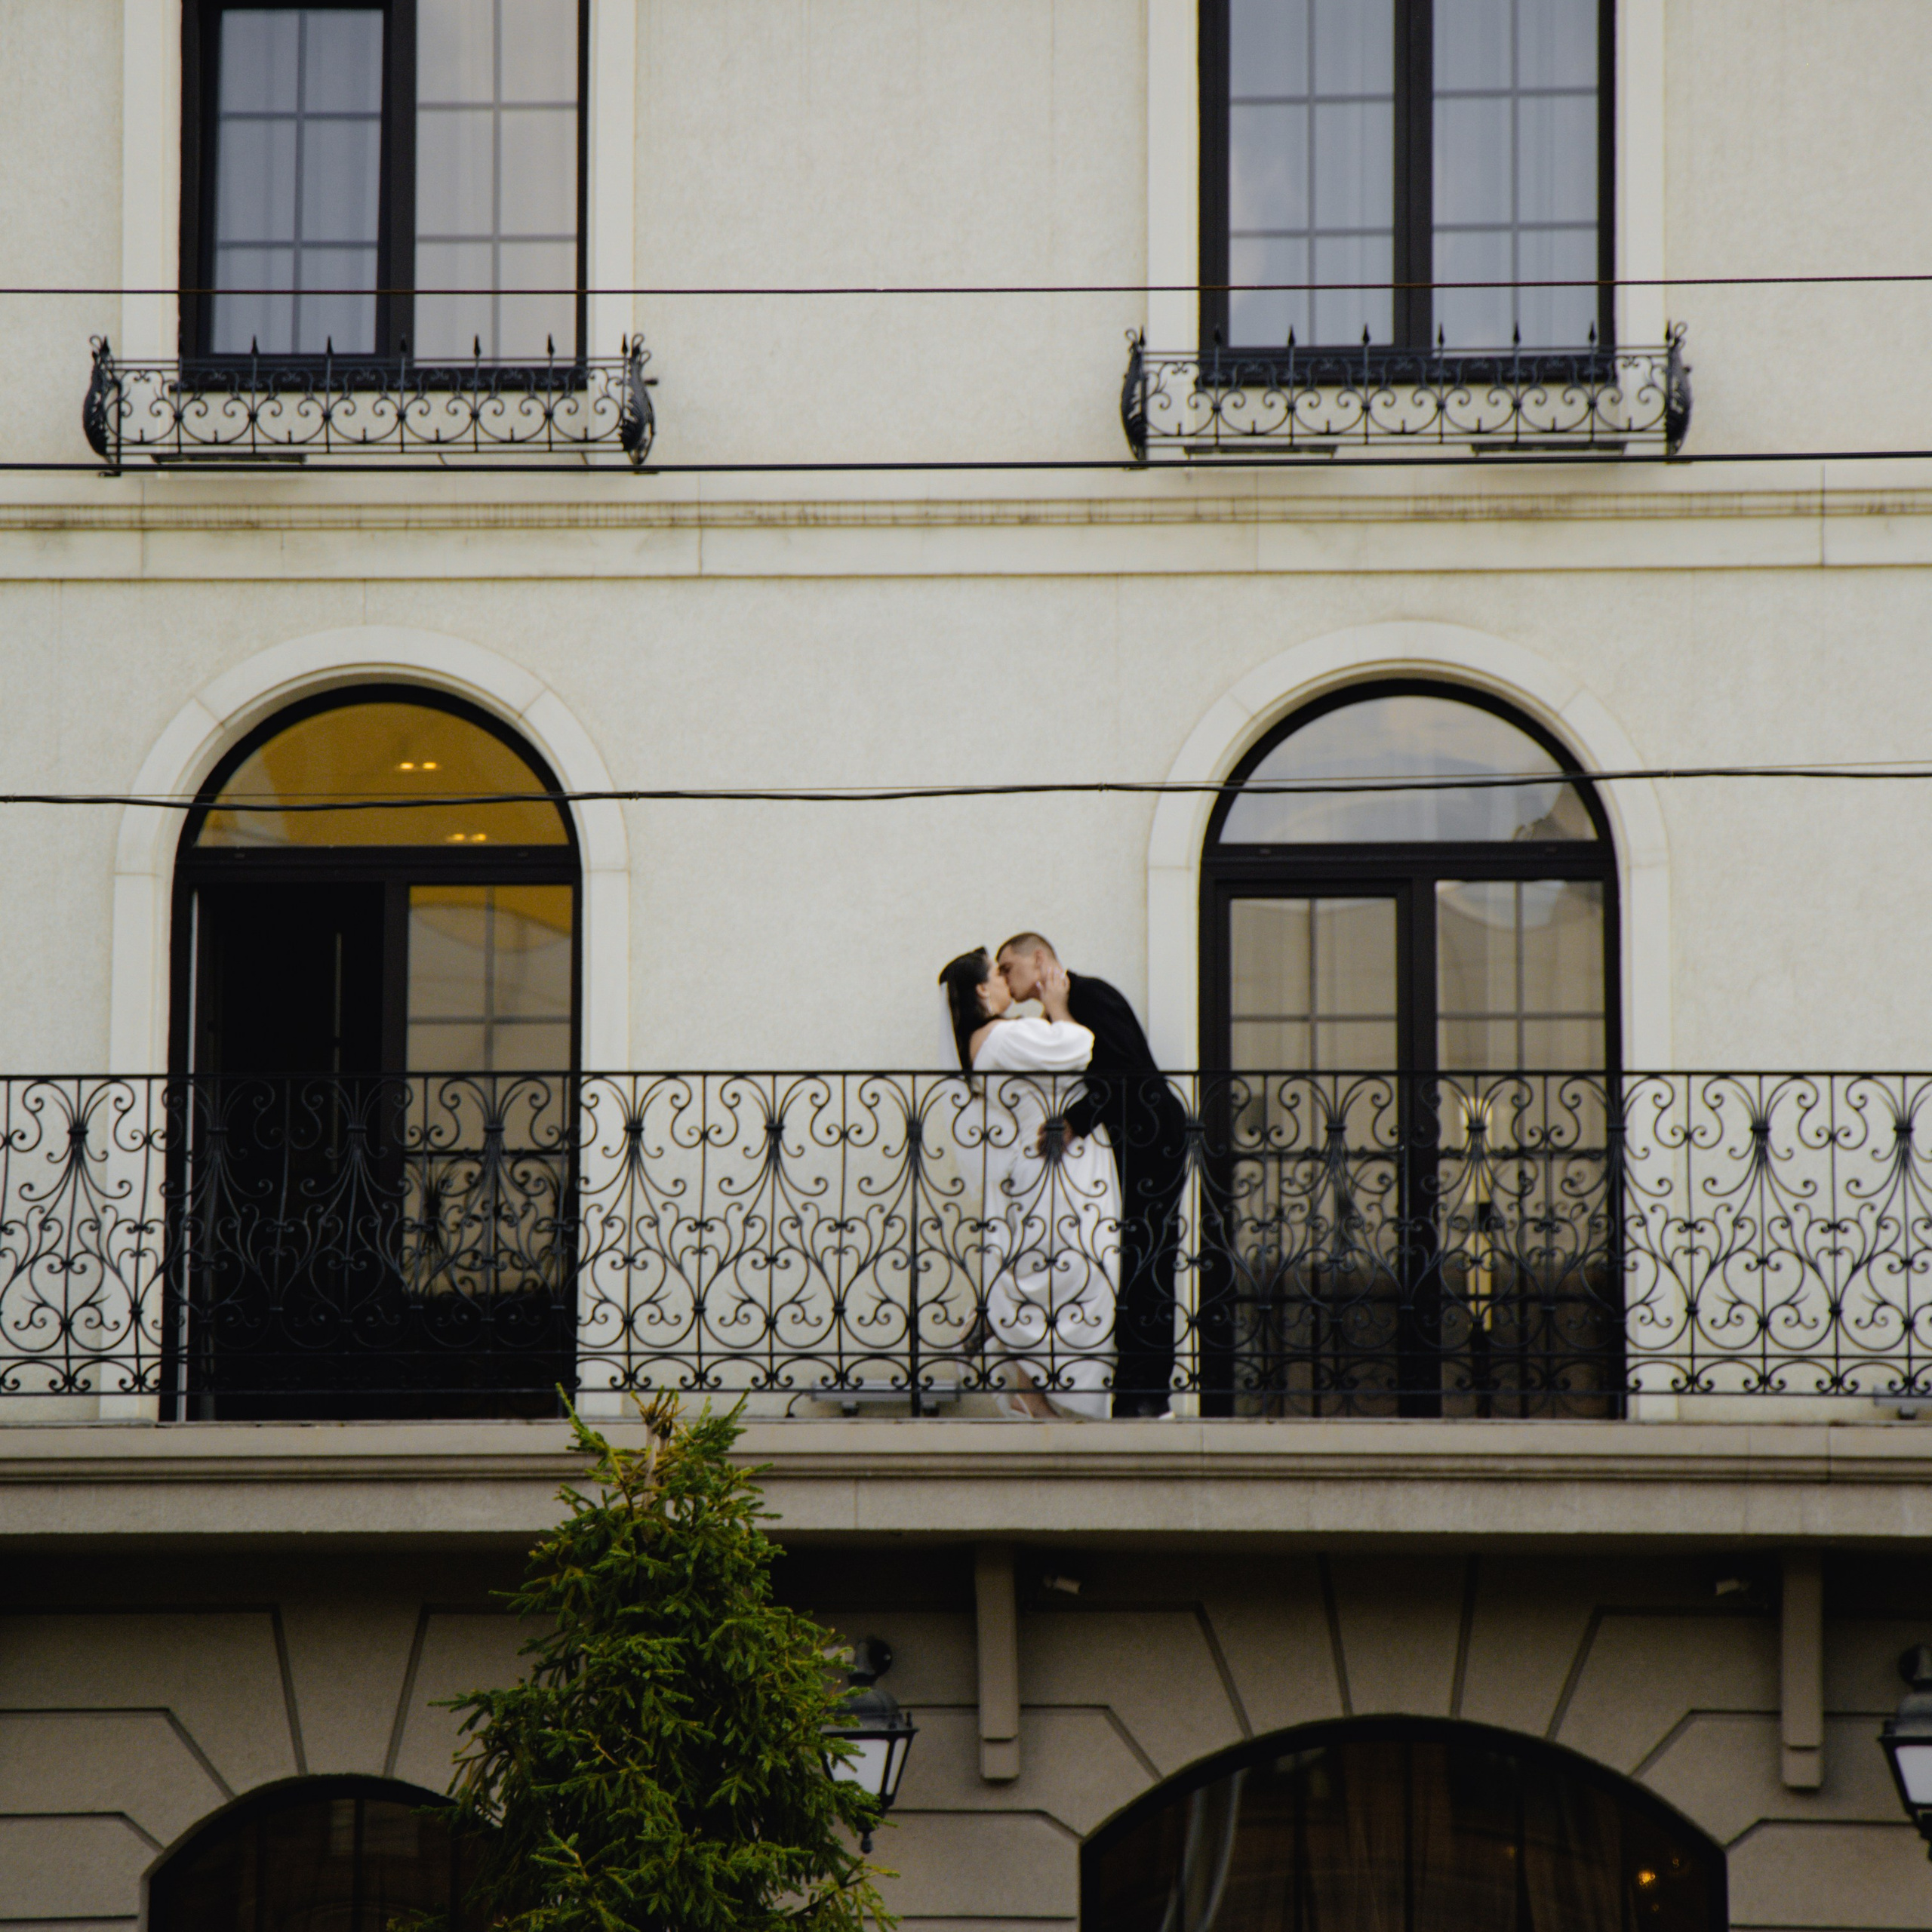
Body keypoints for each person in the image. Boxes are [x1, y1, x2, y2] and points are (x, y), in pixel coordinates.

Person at [995, 934, 1187, 1418]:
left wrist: (1074, 1121)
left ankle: (1147, 1394)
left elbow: (1126, 1071)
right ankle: (1130, 1389)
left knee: (1148, 1258)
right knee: (1130, 1259)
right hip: (1130, 1145)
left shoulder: (1090, 995)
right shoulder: (1058, 1013)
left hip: (1151, 1139)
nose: (1003, 978)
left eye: (1008, 966)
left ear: (1039, 959)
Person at [937, 947, 1118, 1420]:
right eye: (997, 974)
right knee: (1064, 1268)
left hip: (1044, 1163)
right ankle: (1000, 1328)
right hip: (1049, 1165)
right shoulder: (1000, 1038)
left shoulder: (996, 1038)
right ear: (983, 989)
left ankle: (1024, 1381)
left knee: (1045, 1270)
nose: (1005, 980)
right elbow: (1078, 1047)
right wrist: (1057, 1007)